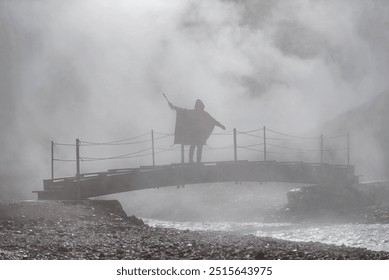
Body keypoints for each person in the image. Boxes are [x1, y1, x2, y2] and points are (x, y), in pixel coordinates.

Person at [168, 99, 226, 163]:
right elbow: (183, 111)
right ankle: (192, 161)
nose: (199, 108)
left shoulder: (203, 114)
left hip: (199, 135)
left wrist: (221, 126)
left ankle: (197, 161)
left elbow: (213, 121)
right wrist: (173, 107)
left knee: (198, 147)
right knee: (193, 146)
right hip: (194, 134)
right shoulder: (194, 113)